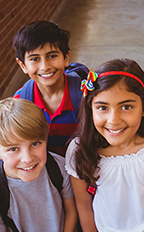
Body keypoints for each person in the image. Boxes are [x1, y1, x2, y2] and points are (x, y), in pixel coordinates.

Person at [65, 58, 144, 232]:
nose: (113, 120)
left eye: (126, 107)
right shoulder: (79, 150)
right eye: (102, 107)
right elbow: (84, 206)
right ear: (90, 109)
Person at [0, 98, 77, 232]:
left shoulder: (60, 168)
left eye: (35, 143)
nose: (27, 158)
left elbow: (72, 212)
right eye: (13, 149)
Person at [13, 20, 89, 156]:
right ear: (23, 65)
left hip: (85, 165)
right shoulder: (21, 102)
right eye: (35, 59)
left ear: (66, 58)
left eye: (52, 56)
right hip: (49, 172)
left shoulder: (85, 92)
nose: (45, 66)